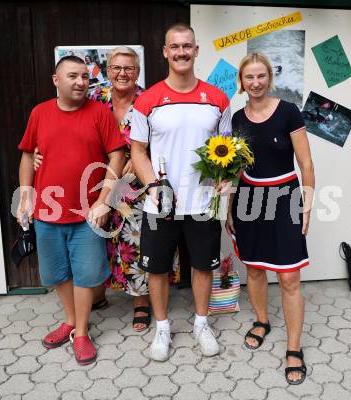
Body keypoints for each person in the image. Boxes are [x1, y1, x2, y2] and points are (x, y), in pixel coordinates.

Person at [35, 47, 180, 332]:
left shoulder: (149, 100)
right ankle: (98, 294)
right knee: (101, 240)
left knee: (136, 242)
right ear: (107, 69)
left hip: (138, 186)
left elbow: (167, 139)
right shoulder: (94, 97)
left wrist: (141, 159)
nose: (122, 73)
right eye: (116, 68)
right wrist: (39, 152)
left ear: (137, 72)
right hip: (98, 182)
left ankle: (140, 302)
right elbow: (66, 123)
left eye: (129, 68)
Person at [130, 23, 232, 361]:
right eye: (175, 47)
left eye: (187, 46)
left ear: (196, 50)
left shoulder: (217, 99)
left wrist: (226, 179)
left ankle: (201, 324)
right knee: (157, 268)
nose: (181, 52)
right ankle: (162, 328)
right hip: (160, 204)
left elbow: (228, 149)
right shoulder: (147, 100)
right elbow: (138, 150)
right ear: (165, 51)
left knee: (203, 265)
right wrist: (154, 186)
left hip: (203, 201)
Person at [17, 55, 125, 365]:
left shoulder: (98, 113)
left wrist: (104, 200)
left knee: (86, 274)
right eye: (72, 76)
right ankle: (70, 319)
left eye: (84, 76)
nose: (80, 82)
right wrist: (26, 194)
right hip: (48, 211)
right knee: (55, 273)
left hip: (87, 212)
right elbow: (27, 156)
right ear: (56, 80)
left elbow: (116, 156)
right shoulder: (39, 113)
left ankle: (80, 332)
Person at [226, 53, 314, 385]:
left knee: (290, 277)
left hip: (286, 197)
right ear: (242, 81)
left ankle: (294, 348)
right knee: (254, 268)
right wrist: (230, 208)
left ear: (269, 77)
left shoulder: (289, 111)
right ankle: (262, 320)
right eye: (249, 77)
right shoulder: (236, 118)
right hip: (249, 198)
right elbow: (234, 169)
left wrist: (307, 205)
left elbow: (306, 163)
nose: (256, 82)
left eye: (261, 76)